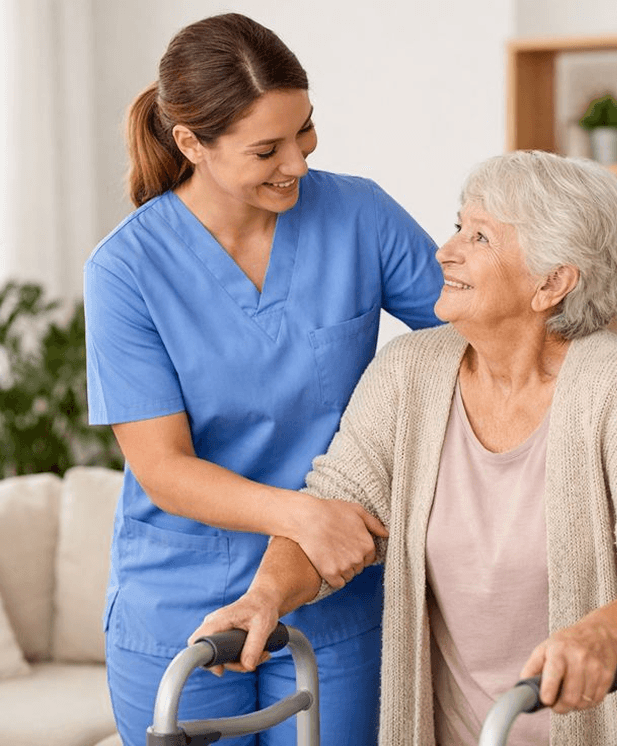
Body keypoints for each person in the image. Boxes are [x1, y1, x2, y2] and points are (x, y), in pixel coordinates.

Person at [191, 150, 617, 746]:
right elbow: (337, 507)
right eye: (458, 226)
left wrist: (603, 635)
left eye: (480, 236)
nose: (445, 251)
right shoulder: (408, 372)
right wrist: (264, 595)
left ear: (551, 282)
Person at [84, 13, 444, 746]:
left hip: (334, 590)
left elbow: (484, 330)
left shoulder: (360, 215)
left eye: (305, 131)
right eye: (266, 149)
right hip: (183, 597)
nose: (299, 163)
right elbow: (165, 470)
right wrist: (304, 516)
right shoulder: (126, 271)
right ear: (192, 144)